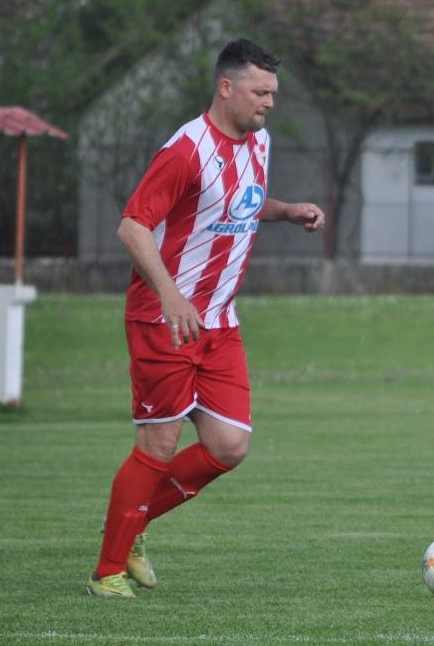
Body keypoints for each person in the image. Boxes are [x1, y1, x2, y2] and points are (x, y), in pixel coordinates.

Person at [87, 38, 325, 597]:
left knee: (229, 445)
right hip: (164, 319)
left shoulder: (258, 143)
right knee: (158, 447)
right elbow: (132, 226)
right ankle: (107, 570)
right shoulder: (186, 151)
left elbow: (240, 199)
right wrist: (170, 294)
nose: (270, 103)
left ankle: (133, 521)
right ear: (226, 87)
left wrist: (286, 212)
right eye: (260, 91)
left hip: (219, 321)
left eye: (273, 92)